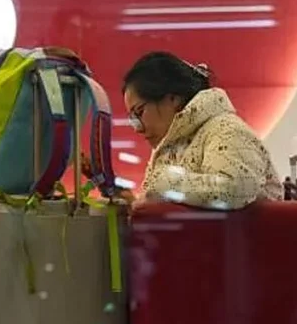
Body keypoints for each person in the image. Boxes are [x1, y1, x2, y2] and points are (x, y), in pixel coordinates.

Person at [121, 51, 282, 209]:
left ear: (172, 98)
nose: (137, 128)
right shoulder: (170, 146)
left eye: (140, 112)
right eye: (133, 119)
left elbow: (233, 190)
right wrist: (135, 205)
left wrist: (166, 183)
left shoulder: (227, 130)